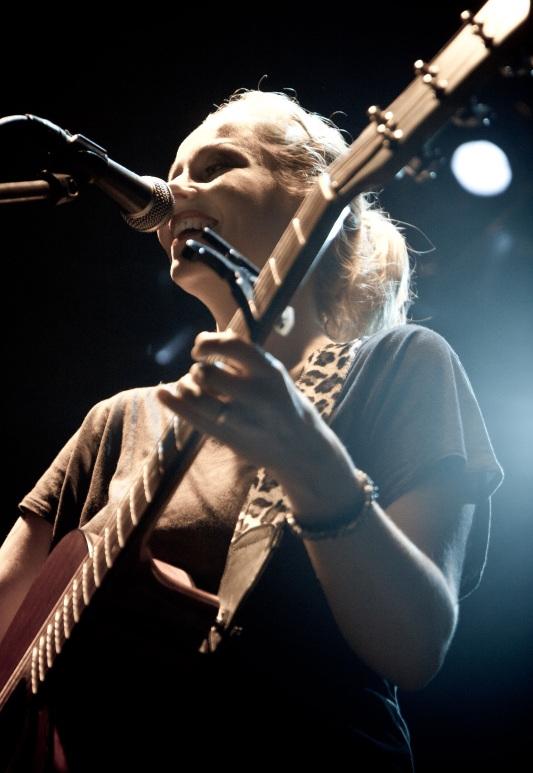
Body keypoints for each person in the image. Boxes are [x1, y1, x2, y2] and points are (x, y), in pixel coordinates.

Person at [0, 88, 502, 772]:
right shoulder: (118, 422)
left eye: (215, 165)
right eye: (173, 171)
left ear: (314, 201)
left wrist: (306, 456)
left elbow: (414, 647)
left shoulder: (398, 366)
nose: (174, 189)